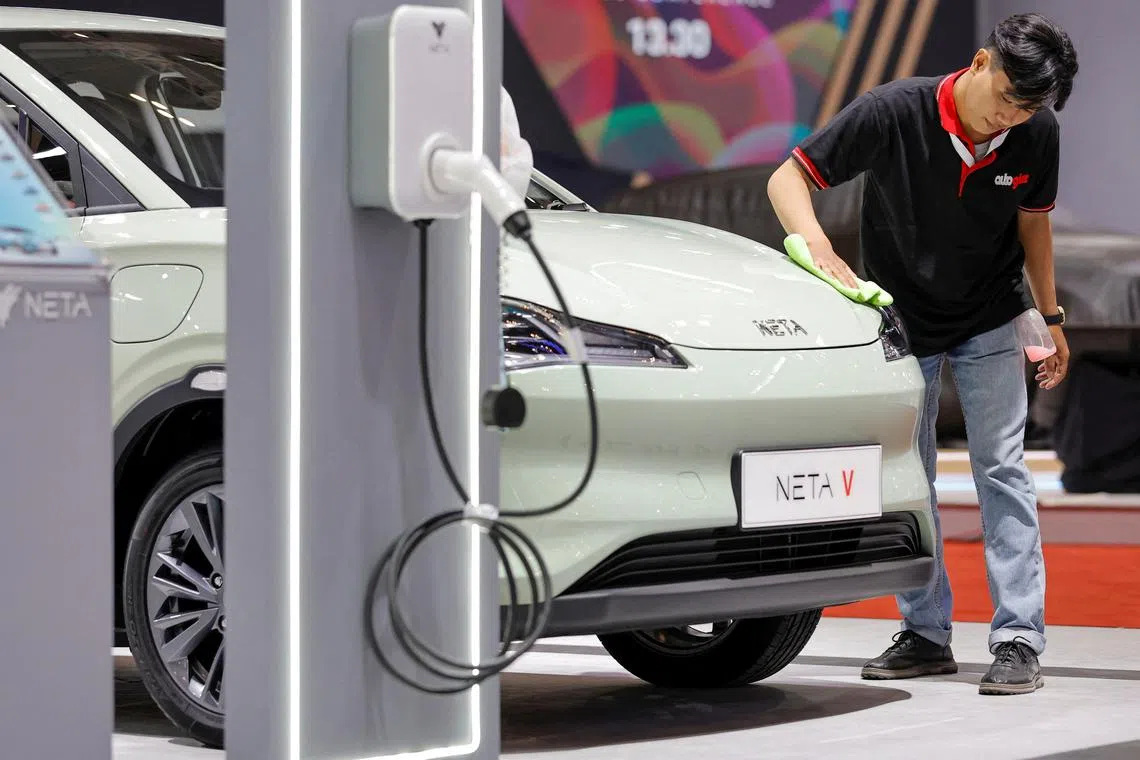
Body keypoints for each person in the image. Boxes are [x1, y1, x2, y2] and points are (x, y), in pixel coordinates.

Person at [766, 13, 1078, 695]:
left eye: (1028, 109)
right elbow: (788, 179)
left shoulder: (1034, 133)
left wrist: (1050, 317)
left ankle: (1019, 639)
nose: (1011, 118)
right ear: (979, 61)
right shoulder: (892, 111)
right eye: (1007, 97)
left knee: (1003, 471)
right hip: (904, 322)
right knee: (914, 478)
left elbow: (1034, 223)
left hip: (993, 315)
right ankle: (925, 633)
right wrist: (819, 247)